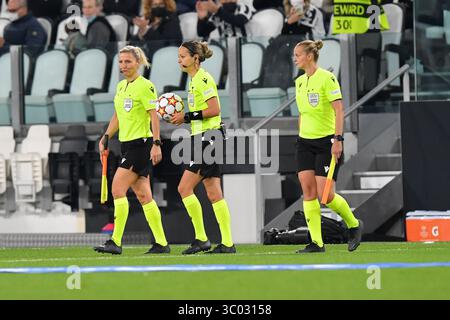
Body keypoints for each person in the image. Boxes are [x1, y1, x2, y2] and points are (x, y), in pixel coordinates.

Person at [94, 45, 170, 255]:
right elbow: (118, 115)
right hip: (126, 144)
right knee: (144, 196)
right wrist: (106, 136)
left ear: (138, 63)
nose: (123, 65)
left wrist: (156, 143)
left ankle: (115, 241)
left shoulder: (145, 86)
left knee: (117, 188)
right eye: (120, 61)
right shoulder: (121, 87)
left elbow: (154, 115)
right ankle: (161, 243)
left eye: (128, 61)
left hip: (141, 144)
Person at [293, 39, 363, 253]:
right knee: (308, 191)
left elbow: (339, 110)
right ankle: (316, 243)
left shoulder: (327, 78)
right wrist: (301, 136)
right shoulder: (299, 81)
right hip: (305, 142)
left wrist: (338, 139)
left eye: (297, 55)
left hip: (326, 143)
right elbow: (303, 114)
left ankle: (353, 224)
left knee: (326, 195)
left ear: (309, 56)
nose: (295, 59)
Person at [171, 40, 236, 254]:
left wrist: (186, 117)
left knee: (184, 188)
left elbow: (215, 109)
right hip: (204, 137)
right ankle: (227, 243)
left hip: (209, 138)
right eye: (179, 56)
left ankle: (202, 238)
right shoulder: (193, 80)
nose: (179, 60)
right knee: (213, 192)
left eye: (183, 56)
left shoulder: (203, 78)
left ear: (195, 58)